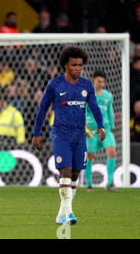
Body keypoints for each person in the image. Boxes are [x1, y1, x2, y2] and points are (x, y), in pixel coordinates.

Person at [32, 46, 105, 225]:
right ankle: (69, 213)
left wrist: (101, 125)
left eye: (80, 65)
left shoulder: (87, 85)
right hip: (61, 134)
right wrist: (36, 133)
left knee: (74, 174)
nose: (78, 68)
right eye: (74, 65)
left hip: (80, 135)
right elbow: (42, 109)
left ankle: (61, 213)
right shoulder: (55, 84)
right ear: (66, 65)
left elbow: (94, 106)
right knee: (64, 171)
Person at [84, 70, 117, 192]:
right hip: (92, 131)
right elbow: (82, 111)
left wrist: (111, 126)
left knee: (112, 152)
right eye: (99, 81)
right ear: (93, 80)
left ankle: (109, 183)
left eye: (103, 82)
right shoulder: (87, 95)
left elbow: (110, 112)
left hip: (106, 130)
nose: (101, 84)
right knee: (90, 156)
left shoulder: (108, 96)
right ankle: (88, 184)